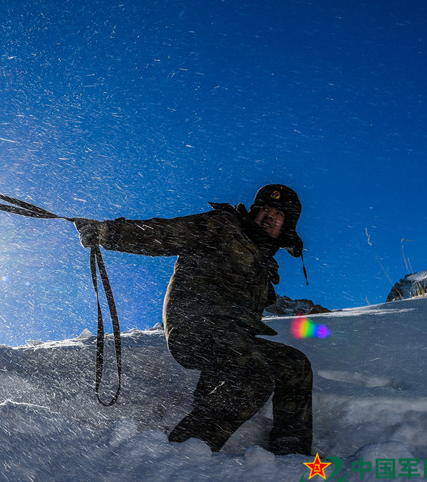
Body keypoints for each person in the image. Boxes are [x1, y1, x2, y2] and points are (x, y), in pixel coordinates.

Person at [74, 184, 313, 455]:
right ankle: (183, 451)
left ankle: (291, 450)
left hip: (231, 338)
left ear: (287, 224)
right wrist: (110, 233)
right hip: (194, 327)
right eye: (266, 209)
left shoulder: (262, 260)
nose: (270, 216)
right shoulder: (223, 226)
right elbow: (166, 234)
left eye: (278, 214)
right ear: (255, 211)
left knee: (294, 364)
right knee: (253, 377)